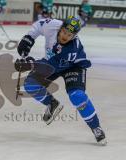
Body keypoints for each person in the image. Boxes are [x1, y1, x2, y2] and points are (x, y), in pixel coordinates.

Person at [14, 16, 107, 145]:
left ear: (74, 36)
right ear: (60, 27)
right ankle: (52, 103)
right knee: (30, 85)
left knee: (77, 96)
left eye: (69, 35)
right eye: (63, 32)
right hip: (51, 63)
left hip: (73, 66)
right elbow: (38, 25)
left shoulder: (72, 48)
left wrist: (29, 64)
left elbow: (51, 65)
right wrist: (29, 38)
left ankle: (95, 127)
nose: (65, 36)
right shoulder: (52, 25)